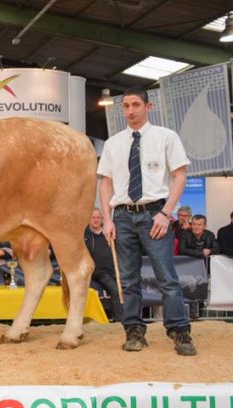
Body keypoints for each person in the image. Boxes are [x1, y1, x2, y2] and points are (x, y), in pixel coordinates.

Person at [98, 87, 196, 356]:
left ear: (147, 107)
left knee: (167, 277)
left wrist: (166, 213)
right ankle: (134, 331)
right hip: (122, 216)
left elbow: (180, 175)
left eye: (136, 105)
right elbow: (106, 183)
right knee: (128, 280)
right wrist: (107, 219)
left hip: (155, 214)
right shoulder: (113, 143)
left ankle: (179, 331)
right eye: (126, 106)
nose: (131, 110)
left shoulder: (166, 137)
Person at [84, 208, 122, 322]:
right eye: (93, 218)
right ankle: (120, 320)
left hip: (114, 269)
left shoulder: (109, 233)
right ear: (89, 219)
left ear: (102, 219)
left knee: (127, 289)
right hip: (100, 272)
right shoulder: (85, 235)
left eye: (98, 218)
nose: (96, 220)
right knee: (116, 291)